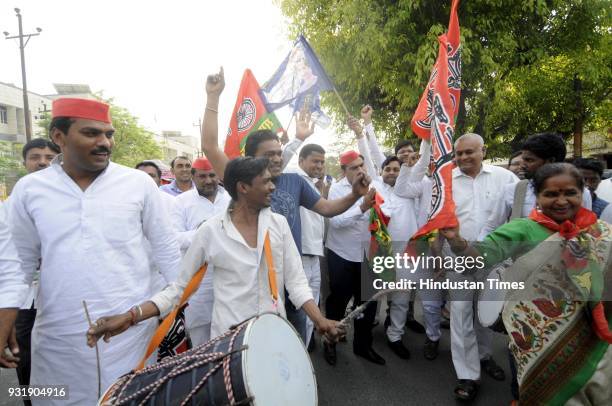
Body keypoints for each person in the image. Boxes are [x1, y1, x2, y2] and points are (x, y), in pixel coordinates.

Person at [5, 98, 182, 405]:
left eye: (108, 134)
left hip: (130, 336)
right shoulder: (30, 190)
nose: (104, 143)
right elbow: (17, 264)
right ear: (59, 137)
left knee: (129, 400)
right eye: (91, 133)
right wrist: (4, 319)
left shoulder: (138, 184)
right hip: (58, 340)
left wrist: (154, 314)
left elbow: (171, 259)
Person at [86, 157, 343, 347]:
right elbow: (178, 289)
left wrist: (319, 319)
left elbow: (297, 283)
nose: (273, 187)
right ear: (243, 187)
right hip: (228, 342)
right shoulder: (211, 231)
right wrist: (132, 316)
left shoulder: (279, 225)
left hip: (273, 334)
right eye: (265, 182)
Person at [201, 67, 371, 343]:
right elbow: (209, 146)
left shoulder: (295, 181)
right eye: (270, 155)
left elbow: (327, 209)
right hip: (252, 280)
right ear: (248, 165)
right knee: (253, 345)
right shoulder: (238, 177)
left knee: (296, 338)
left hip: (292, 274)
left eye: (280, 153)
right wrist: (213, 97)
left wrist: (354, 195)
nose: (278, 159)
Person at [440, 163, 612, 404]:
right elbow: (479, 257)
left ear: (582, 193)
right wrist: (457, 240)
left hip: (593, 337)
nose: (561, 201)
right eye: (551, 194)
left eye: (570, 193)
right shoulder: (522, 229)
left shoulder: (601, 232)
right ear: (538, 197)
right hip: (538, 337)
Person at [10, 138, 61, 402]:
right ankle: (32, 399)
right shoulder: (15, 201)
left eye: (50, 157)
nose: (42, 162)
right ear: (25, 162)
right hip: (25, 298)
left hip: (61, 295)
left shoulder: (71, 199)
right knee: (25, 355)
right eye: (36, 156)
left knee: (61, 354)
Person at [324, 150, 383, 365]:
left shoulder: (375, 186)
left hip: (368, 255)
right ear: (344, 171)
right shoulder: (336, 190)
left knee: (367, 304)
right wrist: (362, 206)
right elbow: (336, 222)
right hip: (342, 255)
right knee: (338, 302)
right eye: (354, 168)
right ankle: (330, 341)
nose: (360, 171)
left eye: (361, 165)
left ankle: (363, 346)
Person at [480, 132, 591, 239]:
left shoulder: (581, 193)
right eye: (523, 159)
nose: (522, 165)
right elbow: (491, 228)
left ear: (550, 161)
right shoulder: (512, 190)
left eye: (529, 160)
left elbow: (585, 231)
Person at [171, 157, 231, 345]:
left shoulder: (231, 199)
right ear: (193, 176)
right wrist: (202, 233)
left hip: (229, 276)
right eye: (202, 176)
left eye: (212, 175)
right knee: (201, 339)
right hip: (199, 281)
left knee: (230, 332)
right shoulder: (181, 202)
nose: (208, 180)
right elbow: (174, 238)